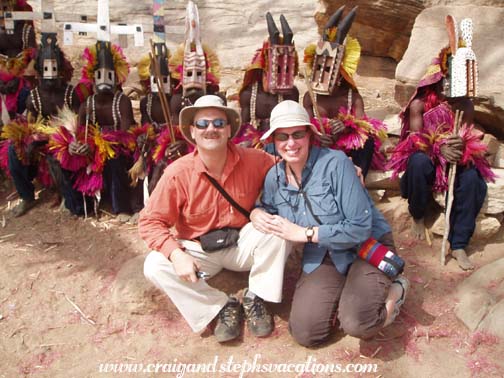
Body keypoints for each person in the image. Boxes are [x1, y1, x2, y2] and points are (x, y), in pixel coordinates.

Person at [251, 100, 408, 347]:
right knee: (306, 334)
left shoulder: (336, 164)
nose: (290, 143)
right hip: (325, 254)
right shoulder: (275, 177)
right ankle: (346, 292)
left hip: (365, 247)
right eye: (282, 136)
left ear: (309, 135)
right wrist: (255, 213)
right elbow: (267, 207)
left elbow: (359, 227)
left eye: (297, 134)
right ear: (274, 141)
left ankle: (397, 289)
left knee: (358, 323)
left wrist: (306, 233)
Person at [139, 95, 293, 343]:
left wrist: (340, 165)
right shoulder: (178, 173)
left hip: (242, 243)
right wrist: (176, 254)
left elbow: (291, 165)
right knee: (154, 265)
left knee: (278, 229)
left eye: (219, 123)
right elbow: (149, 222)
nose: (211, 129)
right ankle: (220, 307)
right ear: (193, 131)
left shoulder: (254, 160)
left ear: (229, 129)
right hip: (199, 251)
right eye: (203, 124)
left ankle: (257, 296)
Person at [389, 16, 494, 271]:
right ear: (441, 77)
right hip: (427, 154)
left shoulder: (465, 105)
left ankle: (458, 243)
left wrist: (461, 147)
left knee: (472, 180)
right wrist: (438, 148)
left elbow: (466, 134)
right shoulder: (420, 104)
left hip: (452, 159)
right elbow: (415, 141)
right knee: (418, 163)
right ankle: (418, 213)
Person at [302, 6, 387, 177]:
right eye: (319, 68)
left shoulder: (353, 98)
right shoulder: (310, 97)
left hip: (348, 152)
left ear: (340, 74)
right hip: (319, 150)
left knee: (367, 142)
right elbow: (303, 126)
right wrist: (316, 136)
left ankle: (357, 179)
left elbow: (364, 128)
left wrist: (347, 127)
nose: (322, 75)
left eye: (328, 70)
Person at [237, 12, 299, 148]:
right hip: (253, 146)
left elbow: (294, 126)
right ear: (263, 71)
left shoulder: (291, 94)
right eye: (274, 72)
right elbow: (242, 126)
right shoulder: (248, 94)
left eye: (285, 71)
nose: (279, 78)